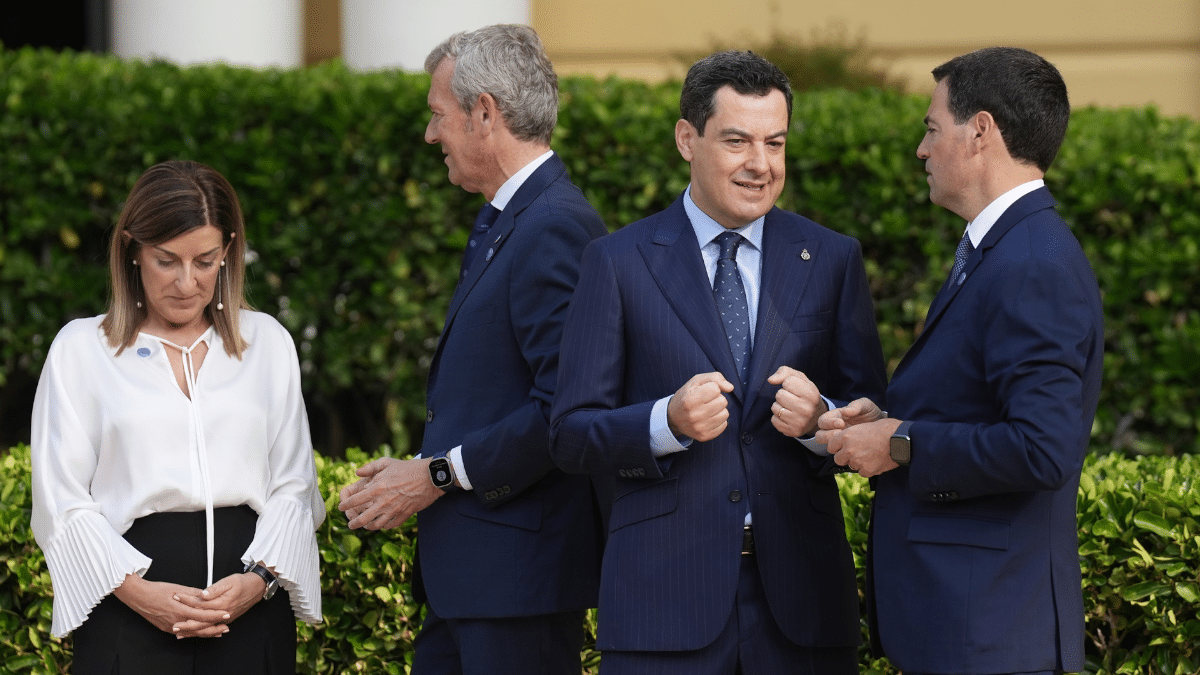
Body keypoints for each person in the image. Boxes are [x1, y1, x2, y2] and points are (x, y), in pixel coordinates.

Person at [548, 51, 887, 675]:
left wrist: (821, 420)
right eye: (737, 141)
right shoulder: (616, 263)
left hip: (804, 608)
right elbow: (570, 434)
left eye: (775, 143)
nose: (761, 165)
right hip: (661, 610)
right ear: (687, 139)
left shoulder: (833, 259)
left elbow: (872, 417)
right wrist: (665, 422)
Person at [817, 47, 1104, 675]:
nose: (921, 149)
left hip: (989, 636)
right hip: (969, 628)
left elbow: (1041, 447)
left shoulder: (1031, 263)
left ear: (980, 132)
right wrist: (886, 417)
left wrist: (900, 442)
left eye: (930, 127)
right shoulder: (1006, 249)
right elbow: (979, 408)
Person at [336, 25, 607, 675]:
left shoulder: (554, 226)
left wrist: (434, 474)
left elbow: (562, 410)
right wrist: (421, 466)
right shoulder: (510, 218)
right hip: (479, 586)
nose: (432, 136)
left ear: (484, 113)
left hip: (518, 591)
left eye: (439, 116)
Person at [31, 160, 325, 674]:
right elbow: (61, 499)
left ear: (229, 253)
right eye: (166, 261)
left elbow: (295, 485)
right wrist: (139, 594)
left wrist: (258, 581)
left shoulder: (268, 344)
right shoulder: (81, 350)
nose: (187, 283)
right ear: (132, 251)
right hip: (127, 608)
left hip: (251, 606)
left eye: (206, 261)